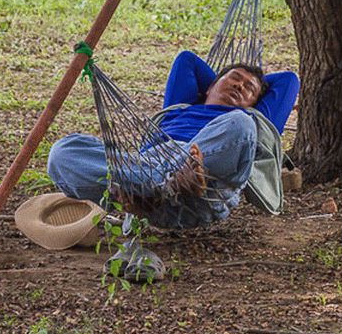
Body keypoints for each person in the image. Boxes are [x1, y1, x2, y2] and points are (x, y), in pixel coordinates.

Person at [47, 51, 299, 229]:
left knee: (241, 123)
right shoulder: (178, 107)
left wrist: (240, 91)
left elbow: (288, 80)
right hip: (153, 163)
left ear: (257, 102)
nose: (240, 86)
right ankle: (159, 185)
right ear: (209, 86)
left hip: (206, 181)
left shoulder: (249, 116)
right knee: (63, 153)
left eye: (250, 89)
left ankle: (156, 185)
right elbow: (186, 60)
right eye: (234, 78)